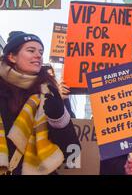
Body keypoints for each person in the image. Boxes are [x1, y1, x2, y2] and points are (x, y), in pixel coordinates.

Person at [0, 31, 79, 175]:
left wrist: (58, 117)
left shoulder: (49, 93)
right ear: (12, 57)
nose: (38, 55)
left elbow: (73, 154)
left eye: (40, 52)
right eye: (31, 50)